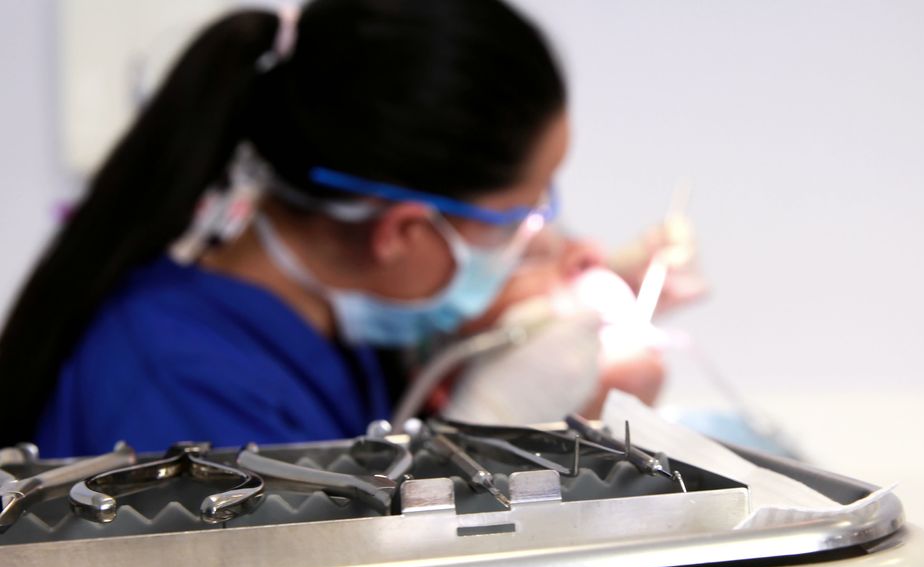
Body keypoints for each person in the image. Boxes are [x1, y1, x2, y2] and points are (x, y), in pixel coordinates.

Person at [0, 0, 667, 457]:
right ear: (402, 232)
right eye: (521, 217)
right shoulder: (181, 393)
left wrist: (489, 329)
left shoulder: (321, 326)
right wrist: (500, 431)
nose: (544, 239)